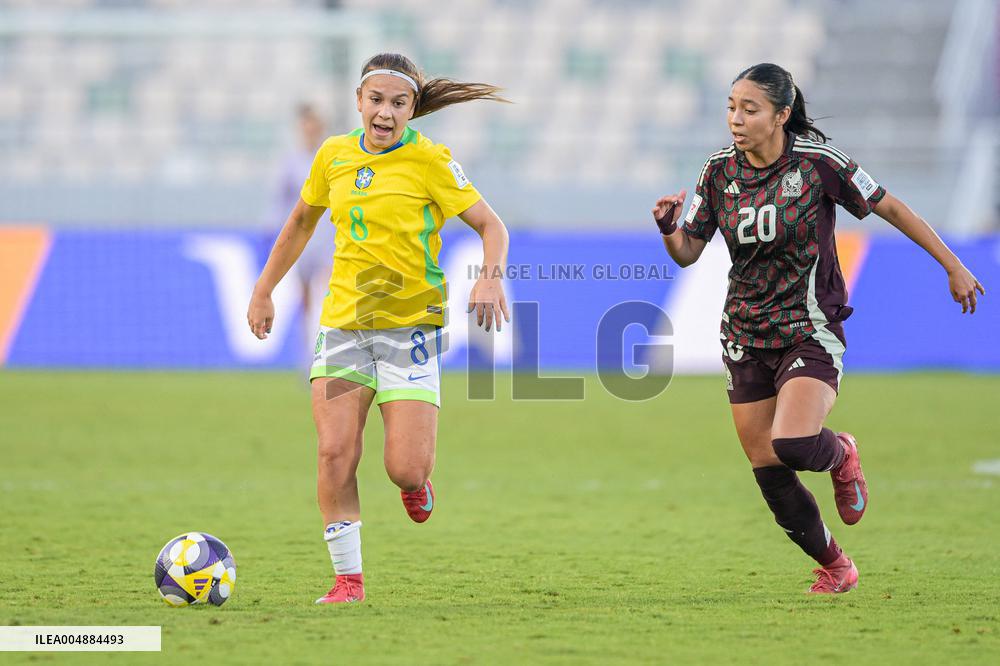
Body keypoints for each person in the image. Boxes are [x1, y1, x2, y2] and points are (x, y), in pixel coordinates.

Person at [652, 63, 985, 594]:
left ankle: (842, 453)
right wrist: (670, 228)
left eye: (750, 109)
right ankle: (835, 565)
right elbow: (689, 253)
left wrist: (952, 264)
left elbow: (890, 207)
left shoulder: (817, 163)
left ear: (782, 115)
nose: (735, 119)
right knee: (765, 462)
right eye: (731, 107)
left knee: (795, 442)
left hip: (810, 328)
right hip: (744, 334)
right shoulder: (717, 171)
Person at [247, 53, 511, 604]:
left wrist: (489, 280)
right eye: (377, 100)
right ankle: (348, 581)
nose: (385, 112)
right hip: (344, 324)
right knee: (334, 452)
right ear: (358, 101)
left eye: (398, 103)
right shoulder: (333, 155)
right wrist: (263, 288)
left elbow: (491, 225)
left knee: (404, 468)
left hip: (408, 331)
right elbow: (299, 222)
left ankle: (417, 486)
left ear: (413, 108)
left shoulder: (431, 161)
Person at [266, 104, 336, 358]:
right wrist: (273, 229)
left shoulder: (332, 157)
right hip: (301, 242)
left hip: (327, 240)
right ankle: (306, 358)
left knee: (323, 297)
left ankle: (323, 356)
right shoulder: (290, 162)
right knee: (305, 303)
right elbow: (281, 201)